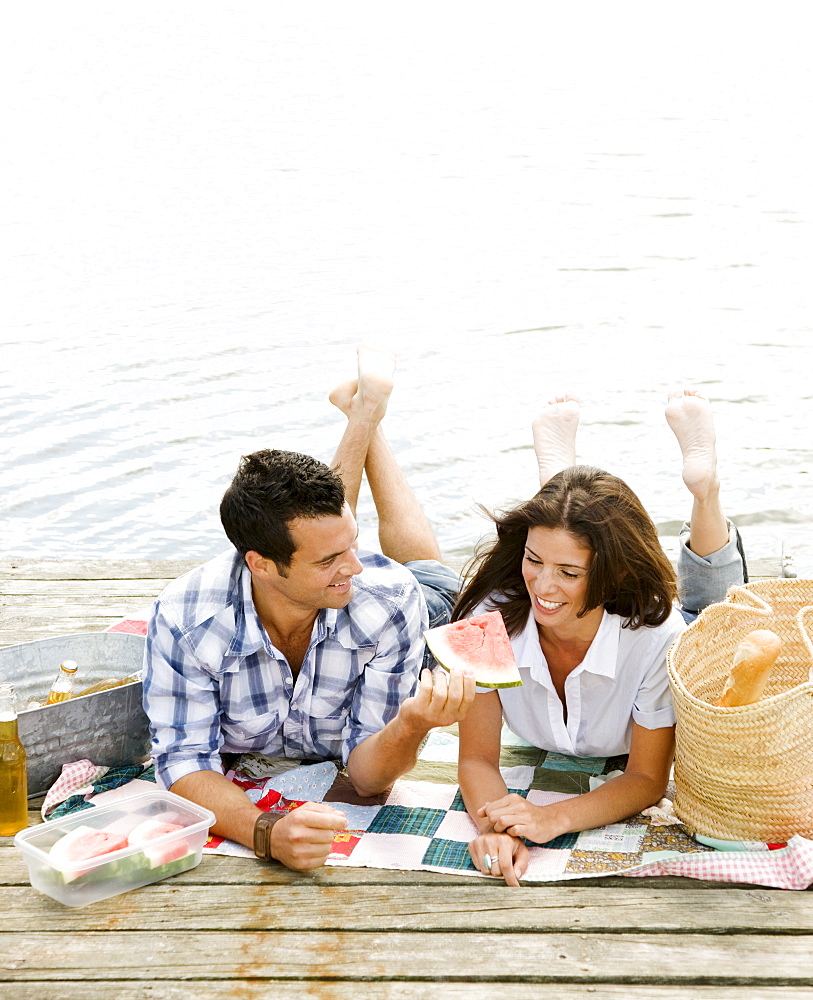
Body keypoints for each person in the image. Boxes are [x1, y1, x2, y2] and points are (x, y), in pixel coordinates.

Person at [143, 347, 474, 872]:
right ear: (260, 564)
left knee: (428, 569)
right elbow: (183, 761)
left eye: (353, 545)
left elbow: (369, 778)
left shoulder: (389, 600)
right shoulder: (185, 622)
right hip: (300, 590)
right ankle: (364, 416)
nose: (358, 567)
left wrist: (411, 724)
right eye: (330, 559)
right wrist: (264, 832)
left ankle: (368, 420)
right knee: (334, 542)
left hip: (424, 607)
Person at [455, 389, 746, 886]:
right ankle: (559, 483)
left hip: (663, 624)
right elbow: (477, 757)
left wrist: (551, 818)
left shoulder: (660, 638)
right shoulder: (490, 619)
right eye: (533, 560)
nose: (543, 587)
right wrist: (497, 823)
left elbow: (647, 779)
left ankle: (706, 490)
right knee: (562, 524)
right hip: (578, 577)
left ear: (609, 576)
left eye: (569, 572)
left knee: (717, 618)